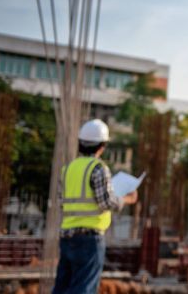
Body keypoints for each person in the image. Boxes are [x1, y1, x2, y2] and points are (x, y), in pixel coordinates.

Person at [53, 119, 138, 294]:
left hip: (67, 236)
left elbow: (62, 201)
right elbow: (106, 202)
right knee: (83, 288)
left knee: (62, 287)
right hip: (89, 239)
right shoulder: (98, 168)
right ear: (103, 145)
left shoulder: (68, 169)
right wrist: (127, 199)